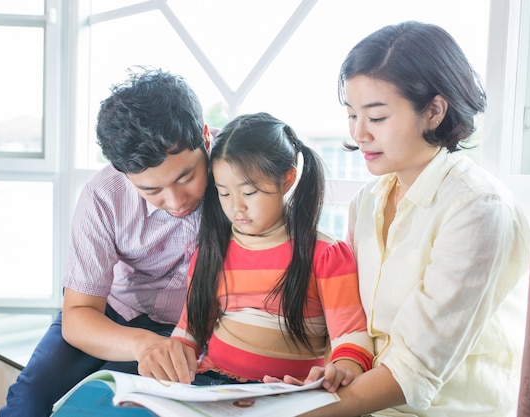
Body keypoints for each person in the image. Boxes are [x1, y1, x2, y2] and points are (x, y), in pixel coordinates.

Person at [266, 21, 530, 417]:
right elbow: (357, 328)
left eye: (376, 118)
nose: (359, 134)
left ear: (434, 111)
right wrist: (334, 372)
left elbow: (413, 370)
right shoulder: (368, 200)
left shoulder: (478, 208)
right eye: (352, 115)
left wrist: (304, 411)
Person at [0, 67, 211, 417]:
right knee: (28, 403)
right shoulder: (103, 196)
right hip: (114, 312)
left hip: (192, 327)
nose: (176, 201)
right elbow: (79, 315)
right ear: (124, 172)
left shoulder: (238, 170)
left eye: (186, 177)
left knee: (104, 409)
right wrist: (143, 343)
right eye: (151, 190)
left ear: (204, 136)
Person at [137, 112, 373, 391]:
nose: (237, 207)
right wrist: (169, 358)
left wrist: (343, 371)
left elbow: (350, 336)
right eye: (224, 193)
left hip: (288, 395)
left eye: (249, 193)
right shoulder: (212, 252)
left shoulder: (325, 254)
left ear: (286, 180)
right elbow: (189, 332)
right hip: (212, 386)